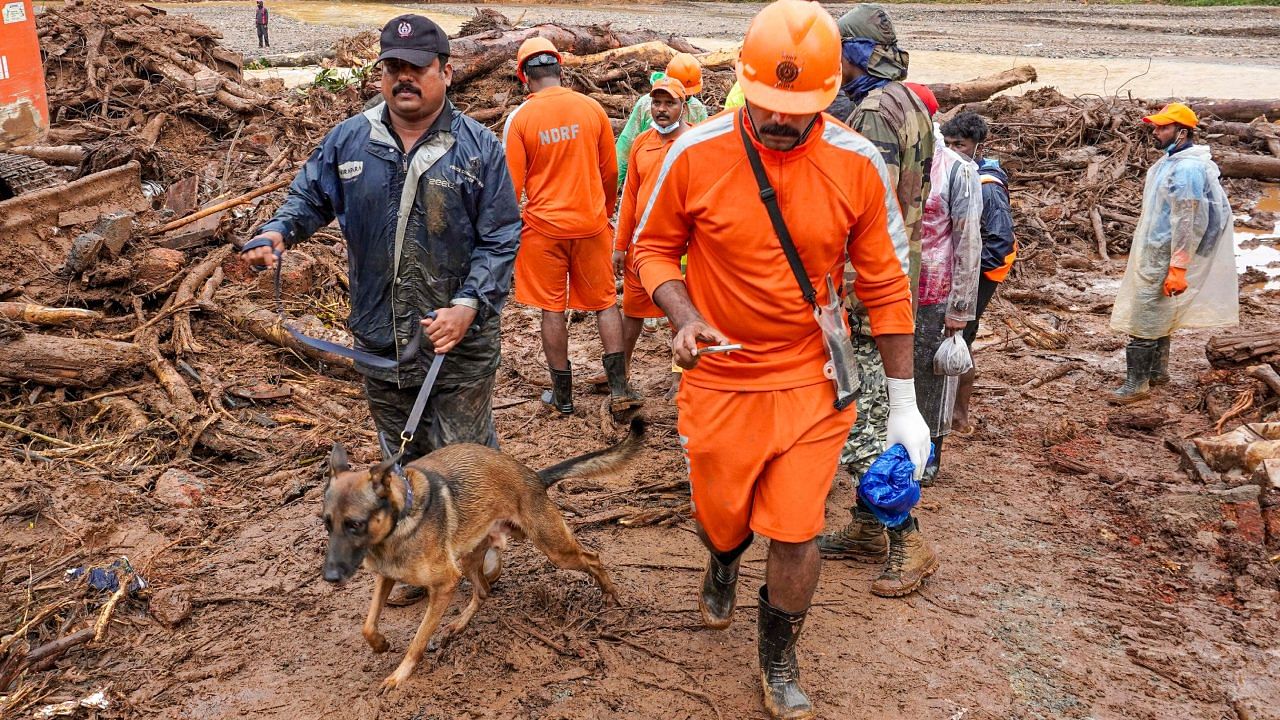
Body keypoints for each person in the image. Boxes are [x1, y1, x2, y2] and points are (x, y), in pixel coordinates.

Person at [632, 2, 929, 716]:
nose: (780, 120)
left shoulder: (854, 163)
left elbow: (886, 283)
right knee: (722, 514)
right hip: (719, 373)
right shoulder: (694, 151)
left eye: (797, 108)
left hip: (810, 375)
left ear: (828, 96)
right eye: (767, 103)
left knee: (796, 527)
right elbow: (650, 249)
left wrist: (906, 405)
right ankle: (724, 558)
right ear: (743, 85)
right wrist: (684, 315)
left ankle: (779, 655)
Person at [241, 15, 520, 605]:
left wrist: (468, 305)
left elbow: (501, 239)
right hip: (378, 338)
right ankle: (419, 563)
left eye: (417, 67)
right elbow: (308, 197)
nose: (404, 79)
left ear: (446, 71)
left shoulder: (479, 148)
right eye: (393, 67)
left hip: (458, 342)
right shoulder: (349, 141)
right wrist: (278, 232)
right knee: (401, 457)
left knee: (465, 450)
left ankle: (478, 548)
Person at [818, 4, 937, 597]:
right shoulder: (912, 101)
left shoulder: (870, 113)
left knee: (862, 421)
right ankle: (867, 527)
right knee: (857, 410)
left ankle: (906, 535)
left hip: (869, 286)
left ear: (856, 53)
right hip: (896, 269)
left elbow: (866, 206)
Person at [503, 37, 642, 418]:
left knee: (552, 309)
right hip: (592, 226)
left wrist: (507, 229)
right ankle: (619, 388)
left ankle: (562, 396)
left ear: (524, 77)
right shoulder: (592, 108)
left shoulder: (521, 118)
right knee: (604, 304)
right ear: (560, 71)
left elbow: (510, 188)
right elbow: (610, 170)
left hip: (544, 230)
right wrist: (605, 211)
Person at [1109, 103, 1238, 402]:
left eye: (1162, 127)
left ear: (1182, 132)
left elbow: (1187, 219)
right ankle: (1157, 372)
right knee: (1158, 310)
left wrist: (1178, 266)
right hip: (1157, 249)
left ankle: (1136, 383)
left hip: (1165, 253)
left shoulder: (1187, 168)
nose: (1155, 132)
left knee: (1144, 313)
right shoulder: (1172, 161)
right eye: (1156, 126)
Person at [911, 96, 982, 491]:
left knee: (933, 376)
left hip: (937, 292)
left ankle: (932, 453)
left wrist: (960, 308)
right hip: (895, 289)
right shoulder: (900, 160)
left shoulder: (959, 170)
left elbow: (969, 243)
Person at [940, 111, 1016, 435]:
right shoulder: (963, 173)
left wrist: (969, 278)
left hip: (986, 269)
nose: (954, 149)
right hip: (975, 266)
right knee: (958, 336)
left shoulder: (987, 186)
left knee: (962, 337)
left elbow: (999, 240)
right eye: (949, 143)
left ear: (978, 146)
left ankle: (959, 417)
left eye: (961, 144)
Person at [612, 78, 690, 377]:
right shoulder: (642, 143)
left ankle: (679, 375)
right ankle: (622, 370)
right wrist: (621, 246)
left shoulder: (692, 143)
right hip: (642, 245)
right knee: (632, 310)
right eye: (657, 103)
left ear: (683, 107)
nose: (661, 109)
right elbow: (630, 195)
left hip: (681, 248)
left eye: (669, 103)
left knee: (680, 313)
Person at [615, 53, 709, 190]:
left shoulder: (697, 110)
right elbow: (625, 146)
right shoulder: (645, 105)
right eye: (657, 103)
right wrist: (614, 185)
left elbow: (704, 150)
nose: (662, 109)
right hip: (648, 176)